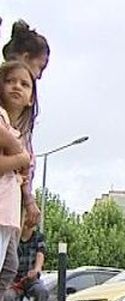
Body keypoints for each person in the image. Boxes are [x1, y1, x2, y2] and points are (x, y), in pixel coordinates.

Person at [0, 60, 37, 301]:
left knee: (8, 270)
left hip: (9, 218)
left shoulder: (14, 129)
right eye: (11, 80)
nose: (17, 87)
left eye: (25, 84)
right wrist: (20, 159)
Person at [3, 19, 50, 227]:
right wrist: (19, 151)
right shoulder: (9, 107)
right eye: (40, 67)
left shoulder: (20, 112)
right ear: (25, 58)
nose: (39, 75)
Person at [3, 221, 49, 301]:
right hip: (14, 281)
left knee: (42, 291)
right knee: (7, 298)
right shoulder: (13, 237)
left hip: (30, 279)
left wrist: (37, 269)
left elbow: (40, 254)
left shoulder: (38, 237)